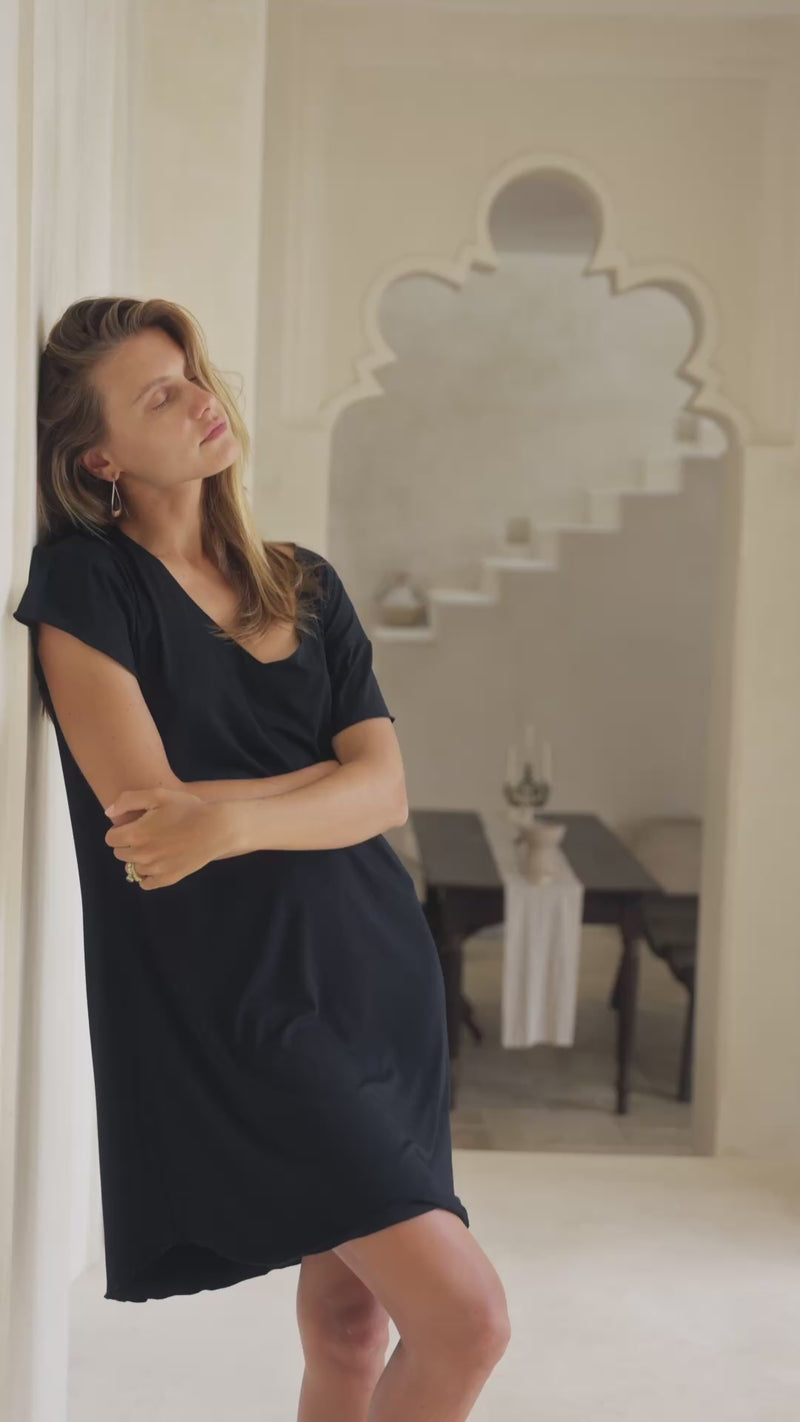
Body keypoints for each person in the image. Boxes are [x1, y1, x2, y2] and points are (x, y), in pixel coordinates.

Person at [13, 297, 510, 1419]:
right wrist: (302, 793)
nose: (199, 400)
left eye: (191, 375)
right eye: (157, 394)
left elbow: (384, 791)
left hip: (378, 981)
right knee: (467, 1320)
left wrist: (227, 816)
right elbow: (146, 820)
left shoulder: (309, 586)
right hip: (243, 1001)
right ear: (98, 458)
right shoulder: (89, 590)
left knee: (351, 1327)